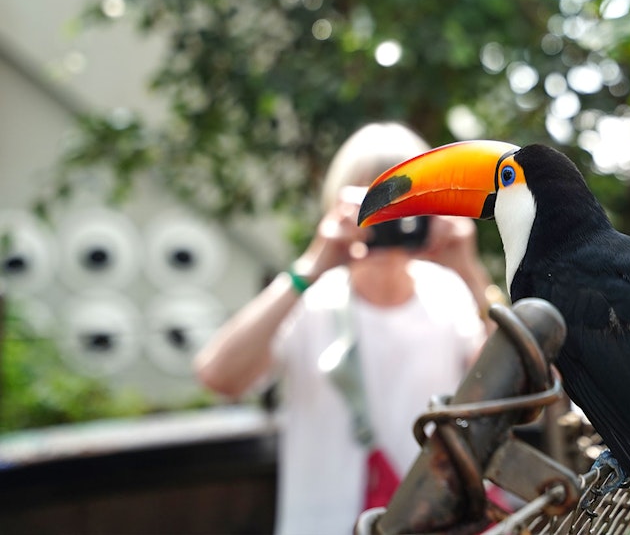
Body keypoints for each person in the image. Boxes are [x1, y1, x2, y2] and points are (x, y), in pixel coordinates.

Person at [194, 123, 498, 535]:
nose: (390, 217)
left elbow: (522, 386)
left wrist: (469, 270)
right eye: (374, 201)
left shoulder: (447, 292)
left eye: (404, 199)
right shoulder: (308, 299)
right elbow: (219, 376)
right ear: (340, 205)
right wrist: (311, 266)